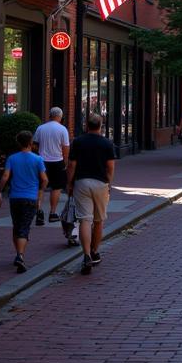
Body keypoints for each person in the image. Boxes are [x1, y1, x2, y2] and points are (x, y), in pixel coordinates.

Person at [66, 112, 116, 276]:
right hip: (101, 183)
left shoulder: (78, 142)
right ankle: (95, 251)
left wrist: (70, 183)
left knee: (84, 220)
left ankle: (86, 255)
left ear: (86, 125)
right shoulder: (107, 143)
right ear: (100, 126)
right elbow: (110, 167)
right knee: (99, 220)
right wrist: (109, 184)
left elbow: (72, 165)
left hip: (82, 182)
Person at [0, 130, 48, 272]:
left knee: (16, 226)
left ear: (18, 143)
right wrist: (40, 191)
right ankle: (20, 255)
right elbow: (44, 179)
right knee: (24, 228)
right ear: (31, 143)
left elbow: (6, 176)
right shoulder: (38, 160)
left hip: (15, 197)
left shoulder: (12, 158)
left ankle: (18, 253)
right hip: (30, 198)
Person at [33, 106, 70, 225]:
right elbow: (66, 148)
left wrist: (40, 151)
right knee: (56, 187)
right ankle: (52, 213)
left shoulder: (40, 128)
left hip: (42, 161)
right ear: (60, 116)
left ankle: (39, 212)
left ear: (50, 115)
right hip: (57, 161)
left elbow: (34, 145)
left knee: (40, 187)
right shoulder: (63, 129)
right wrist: (65, 163)